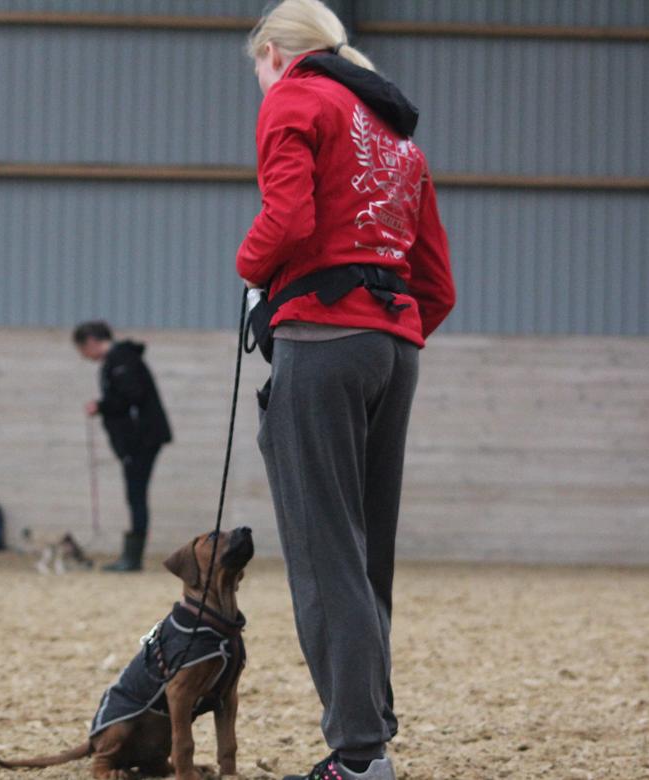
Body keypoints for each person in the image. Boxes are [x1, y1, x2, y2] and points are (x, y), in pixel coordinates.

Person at [238, 2, 456, 779]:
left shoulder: (295, 96)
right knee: (365, 554)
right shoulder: (397, 135)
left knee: (324, 549)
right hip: (394, 344)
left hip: (325, 342)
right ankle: (372, 733)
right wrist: (383, 327)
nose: (260, 84)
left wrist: (249, 266)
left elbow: (288, 220)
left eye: (257, 69)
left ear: (273, 53)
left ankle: (359, 756)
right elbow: (438, 284)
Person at [74, 320, 172, 572]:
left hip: (141, 439)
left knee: (136, 493)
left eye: (82, 350)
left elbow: (132, 396)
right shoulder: (118, 360)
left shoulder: (121, 361)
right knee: (135, 494)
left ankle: (132, 558)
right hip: (140, 439)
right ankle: (132, 555)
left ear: (92, 342)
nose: (84, 356)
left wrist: (101, 406)